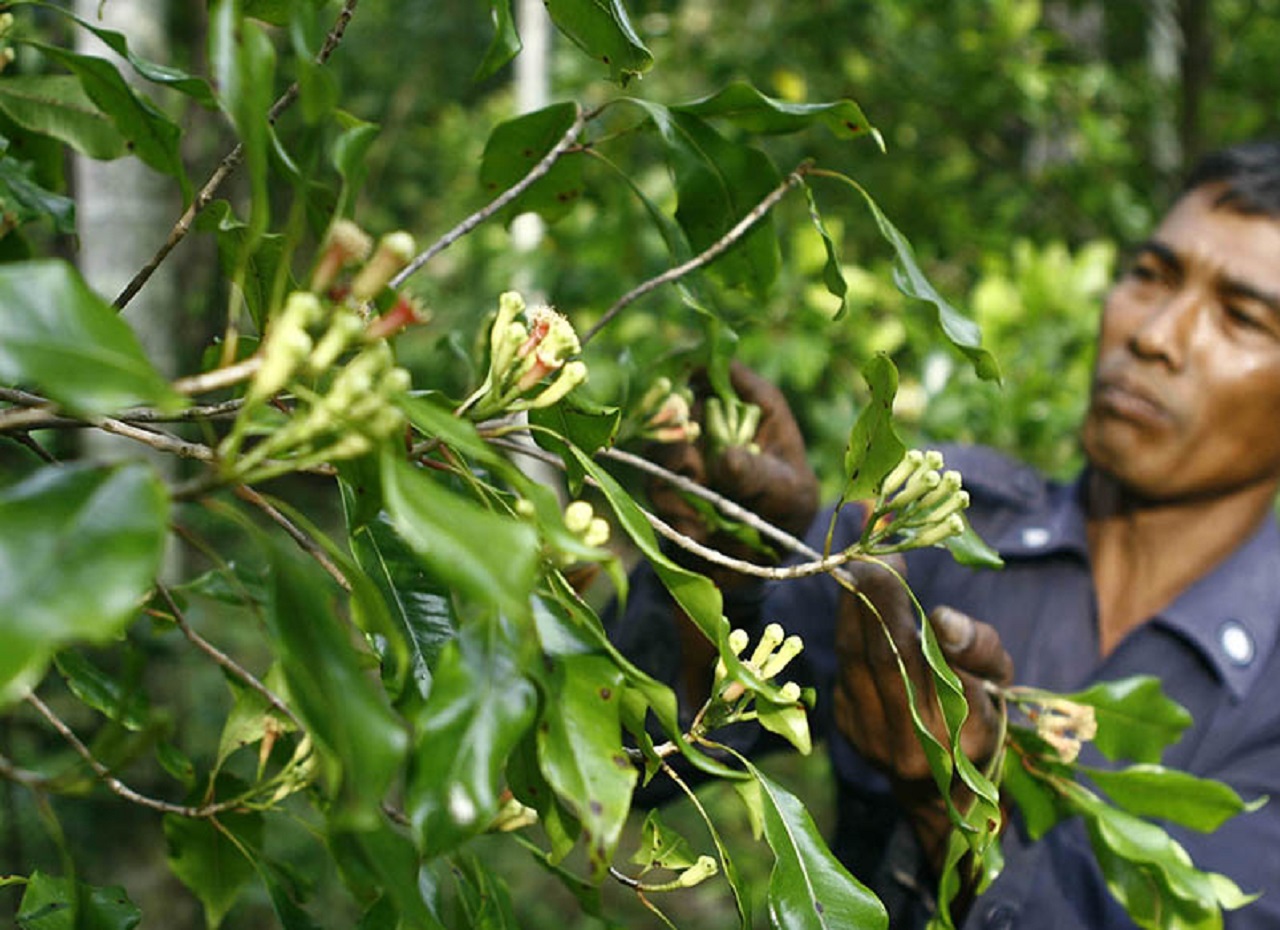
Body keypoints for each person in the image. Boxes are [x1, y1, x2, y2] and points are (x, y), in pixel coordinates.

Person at [608, 138, 1280, 929]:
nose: (1156, 336)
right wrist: (722, 574)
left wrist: (951, 809)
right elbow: (628, 761)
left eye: (1242, 317)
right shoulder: (934, 525)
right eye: (1150, 276)